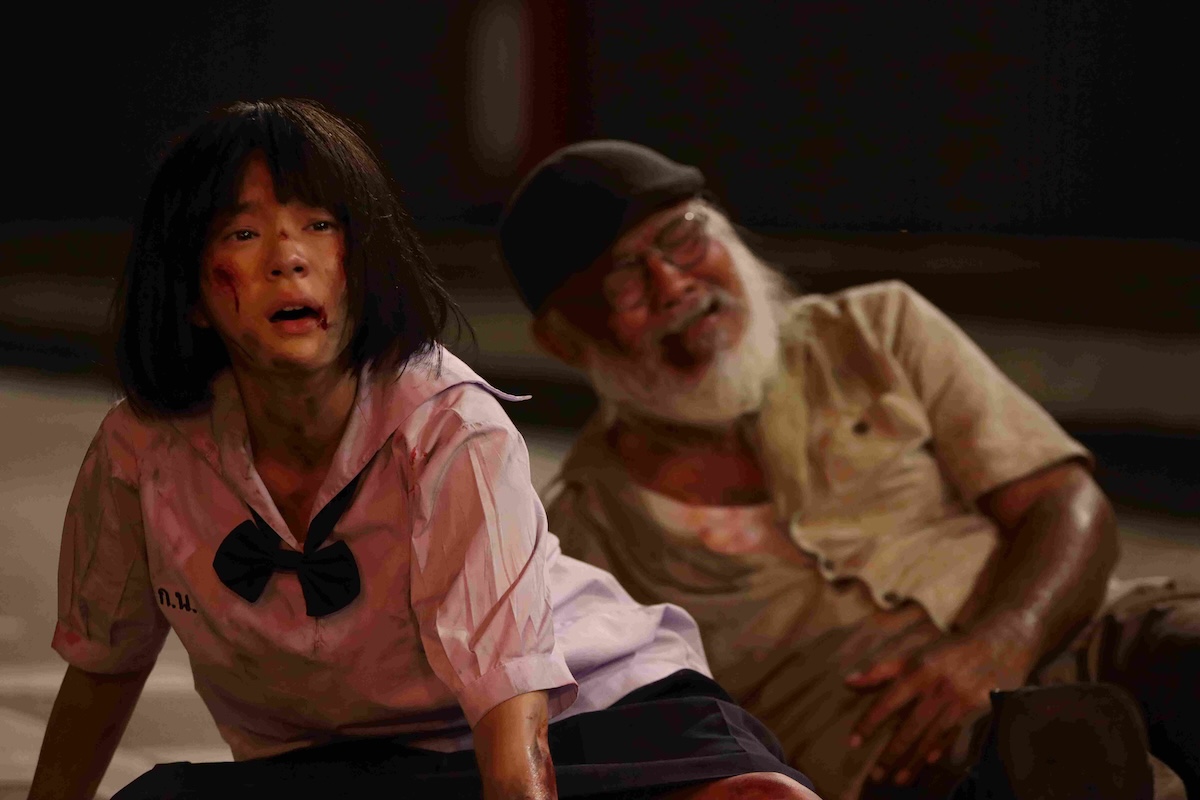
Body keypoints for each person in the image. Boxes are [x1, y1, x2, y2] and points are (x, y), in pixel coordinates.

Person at [28, 102, 822, 800]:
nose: (287, 257)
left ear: (361, 264)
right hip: (342, 764)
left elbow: (510, 716)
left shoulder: (450, 427)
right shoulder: (141, 449)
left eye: (320, 226)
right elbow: (104, 665)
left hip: (583, 719)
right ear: (194, 294)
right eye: (242, 233)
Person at [496, 140, 1200, 800]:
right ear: (564, 339)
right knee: (1060, 753)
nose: (673, 282)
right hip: (915, 754)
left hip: (1085, 623)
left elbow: (1066, 501)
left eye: (683, 236)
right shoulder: (578, 535)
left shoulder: (874, 329)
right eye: (624, 277)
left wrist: (1004, 640)